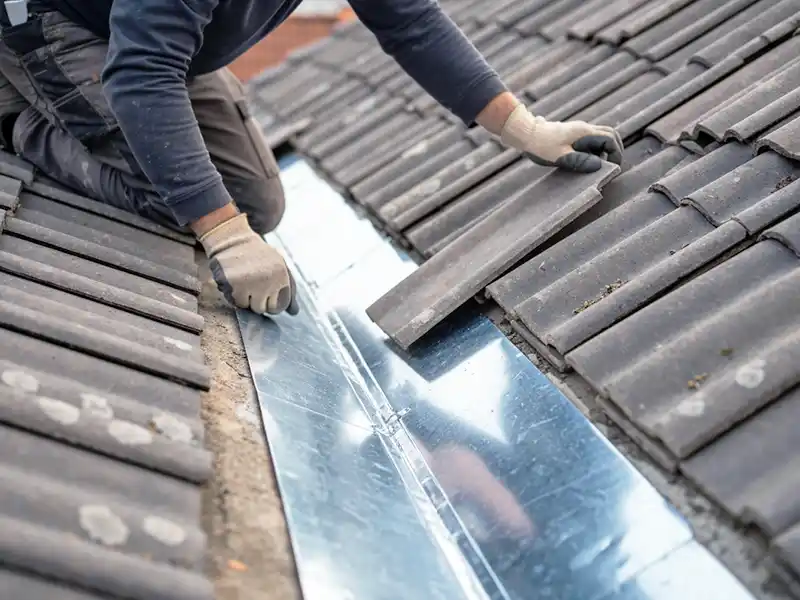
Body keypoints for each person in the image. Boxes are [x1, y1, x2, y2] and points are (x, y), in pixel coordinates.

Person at [0, 0, 624, 317]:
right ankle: (18, 119)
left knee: (253, 203)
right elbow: (141, 75)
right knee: (197, 207)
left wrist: (527, 129)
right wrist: (224, 238)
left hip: (148, 37)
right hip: (54, 22)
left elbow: (412, 23)